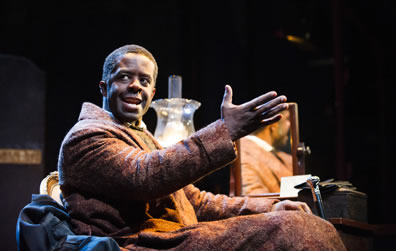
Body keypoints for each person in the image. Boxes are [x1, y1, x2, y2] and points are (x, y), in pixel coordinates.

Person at [57, 44, 345, 250]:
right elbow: (143, 176)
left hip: (172, 237)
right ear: (104, 88)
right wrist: (225, 131)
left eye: (144, 81)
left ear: (152, 93)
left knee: (297, 223)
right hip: (138, 243)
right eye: (124, 77)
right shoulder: (87, 137)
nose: (135, 86)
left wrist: (270, 206)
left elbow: (196, 201)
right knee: (292, 231)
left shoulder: (141, 138)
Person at [241, 109, 293, 194]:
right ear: (273, 124)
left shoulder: (283, 157)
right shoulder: (243, 153)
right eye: (287, 119)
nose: (290, 125)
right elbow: (252, 196)